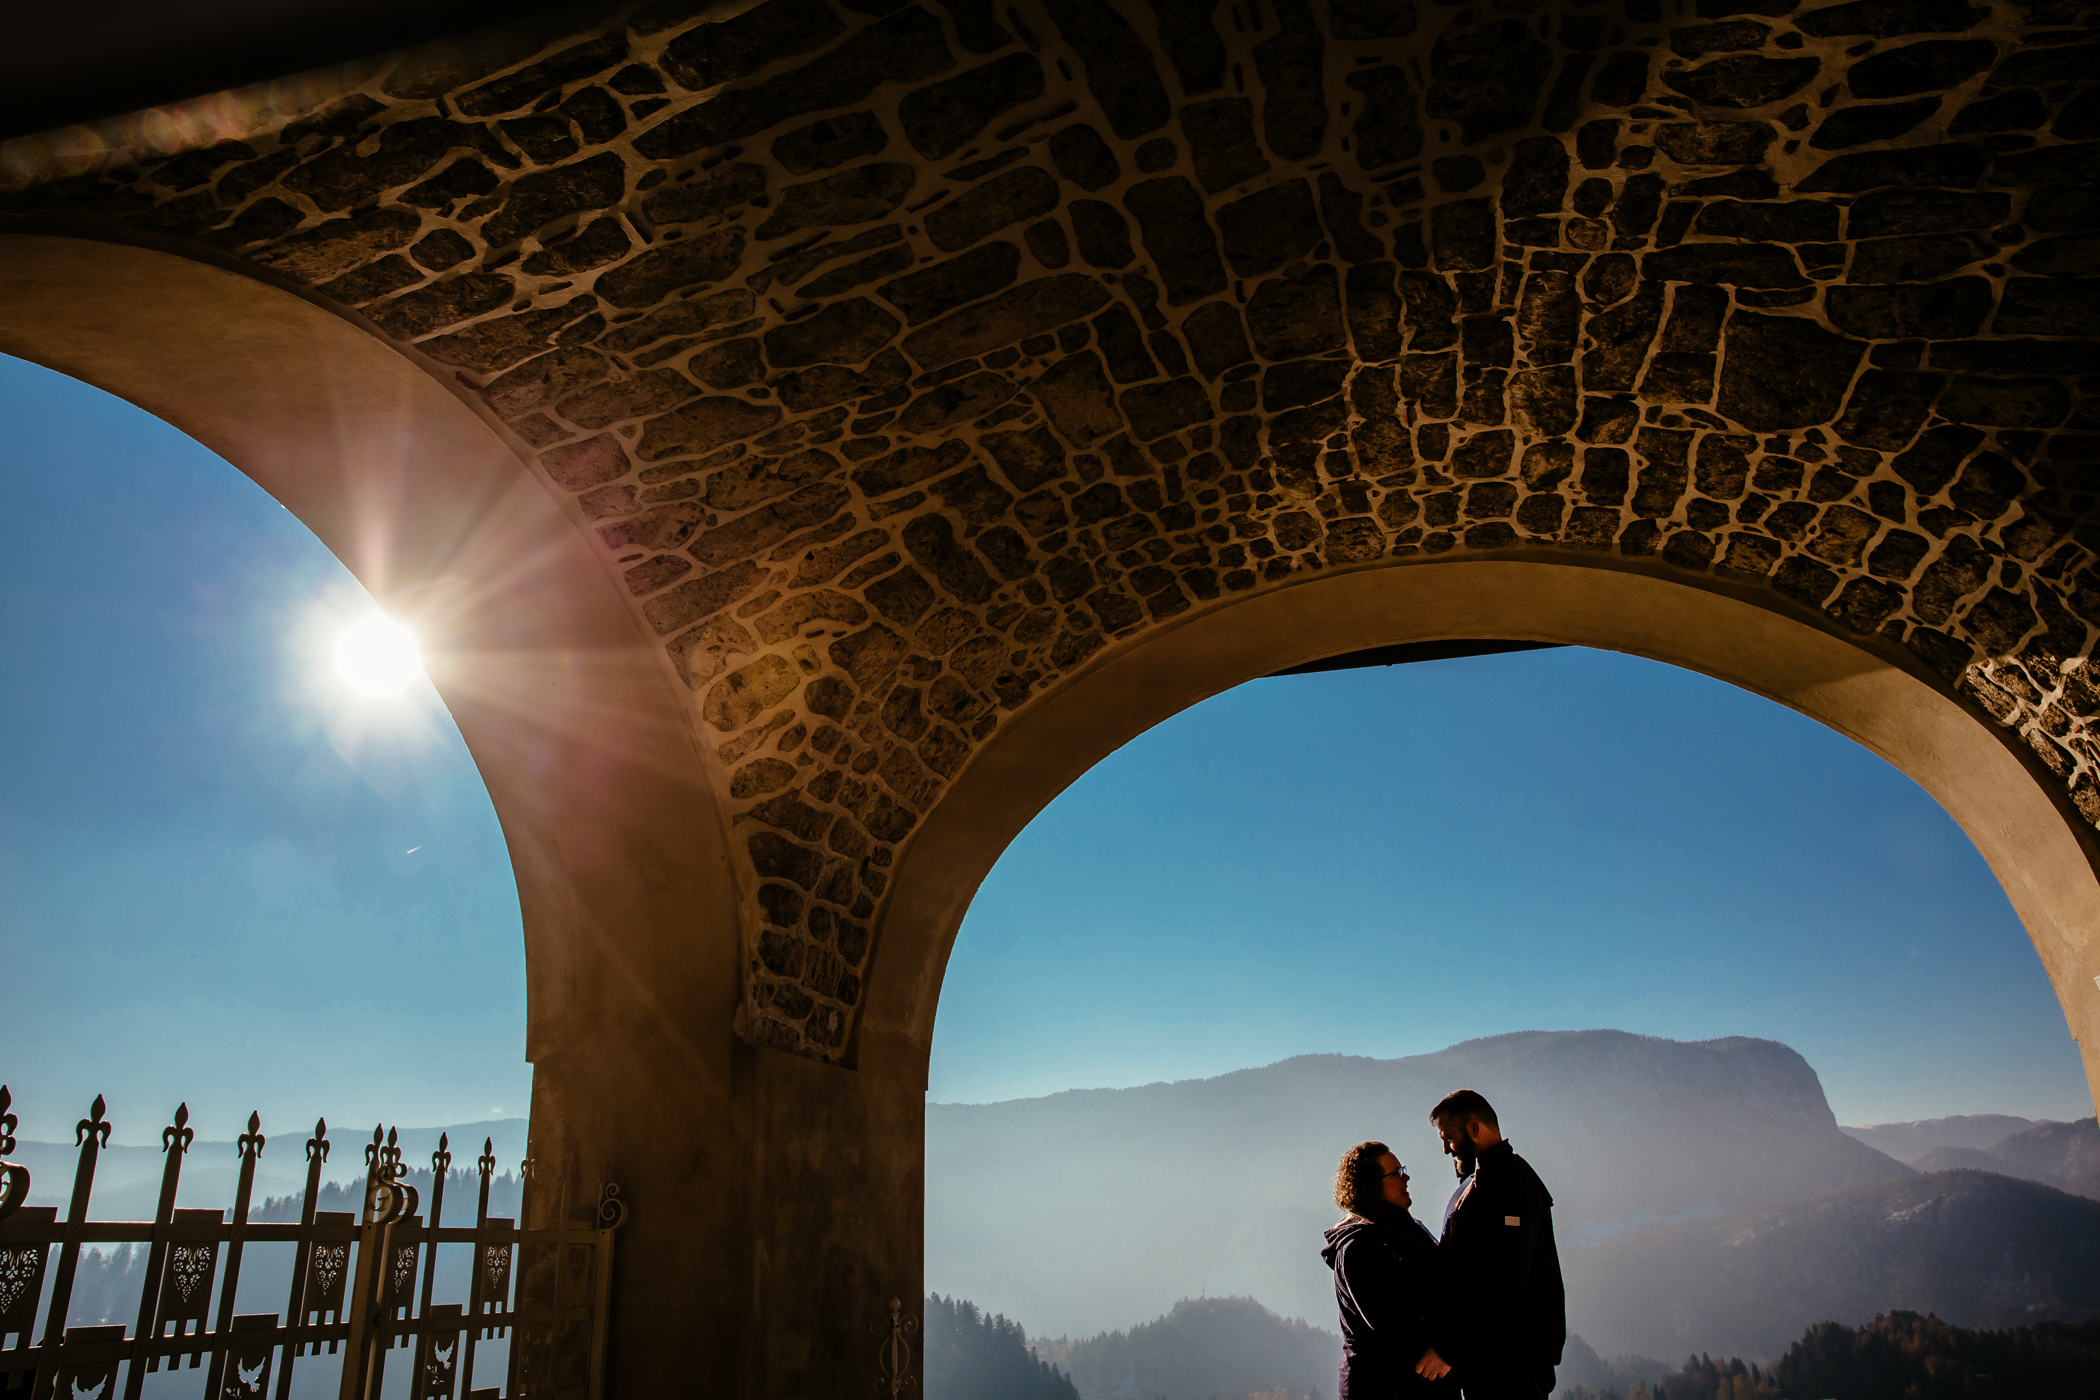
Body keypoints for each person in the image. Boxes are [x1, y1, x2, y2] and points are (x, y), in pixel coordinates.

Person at [1425, 1090, 1565, 1400]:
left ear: (1474, 1128)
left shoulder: (1510, 1188)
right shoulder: (1483, 1183)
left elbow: (1505, 1284)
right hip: (1492, 1360)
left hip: (1510, 1367)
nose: (1446, 1149)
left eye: (1448, 1137)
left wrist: (1449, 1351)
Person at [1321, 1140, 1455, 1400]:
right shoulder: (1359, 1246)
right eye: (1397, 1173)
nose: (1406, 1178)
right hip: (1383, 1388)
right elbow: (1392, 1321)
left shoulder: (1402, 1230)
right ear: (1372, 1186)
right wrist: (1449, 1343)